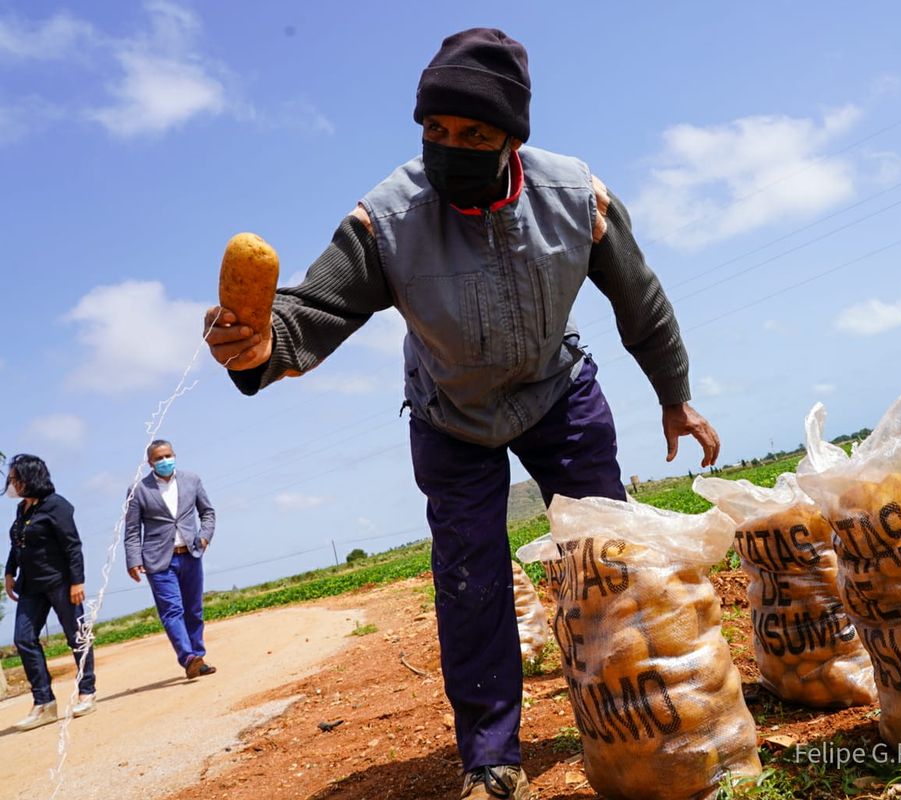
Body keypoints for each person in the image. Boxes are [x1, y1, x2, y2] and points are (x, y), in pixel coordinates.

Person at [203, 28, 719, 800]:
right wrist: (259, 347)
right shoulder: (386, 218)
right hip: (449, 415)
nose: (450, 148)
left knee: (605, 558)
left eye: (473, 135)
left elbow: (640, 301)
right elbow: (315, 307)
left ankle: (633, 705)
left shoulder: (578, 197)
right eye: (434, 133)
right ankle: (491, 756)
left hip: (557, 392)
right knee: (470, 580)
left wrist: (674, 396)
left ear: (512, 139)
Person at [5, 454, 96, 730]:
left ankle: (87, 692)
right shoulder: (23, 509)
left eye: (15, 479)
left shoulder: (58, 506)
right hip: (31, 587)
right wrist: (9, 572)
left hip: (60, 583)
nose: (11, 483)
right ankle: (44, 703)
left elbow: (72, 546)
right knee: (23, 639)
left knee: (76, 636)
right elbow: (17, 544)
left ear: (29, 478)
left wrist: (77, 581)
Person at [123, 440, 217, 679]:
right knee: (172, 611)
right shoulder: (138, 490)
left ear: (174, 455)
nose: (164, 461)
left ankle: (199, 658)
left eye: (168, 456)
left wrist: (204, 537)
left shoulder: (192, 480)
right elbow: (132, 530)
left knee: (194, 610)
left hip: (191, 554)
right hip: (158, 561)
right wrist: (133, 560)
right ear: (150, 462)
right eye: (159, 458)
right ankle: (187, 658)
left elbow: (207, 512)